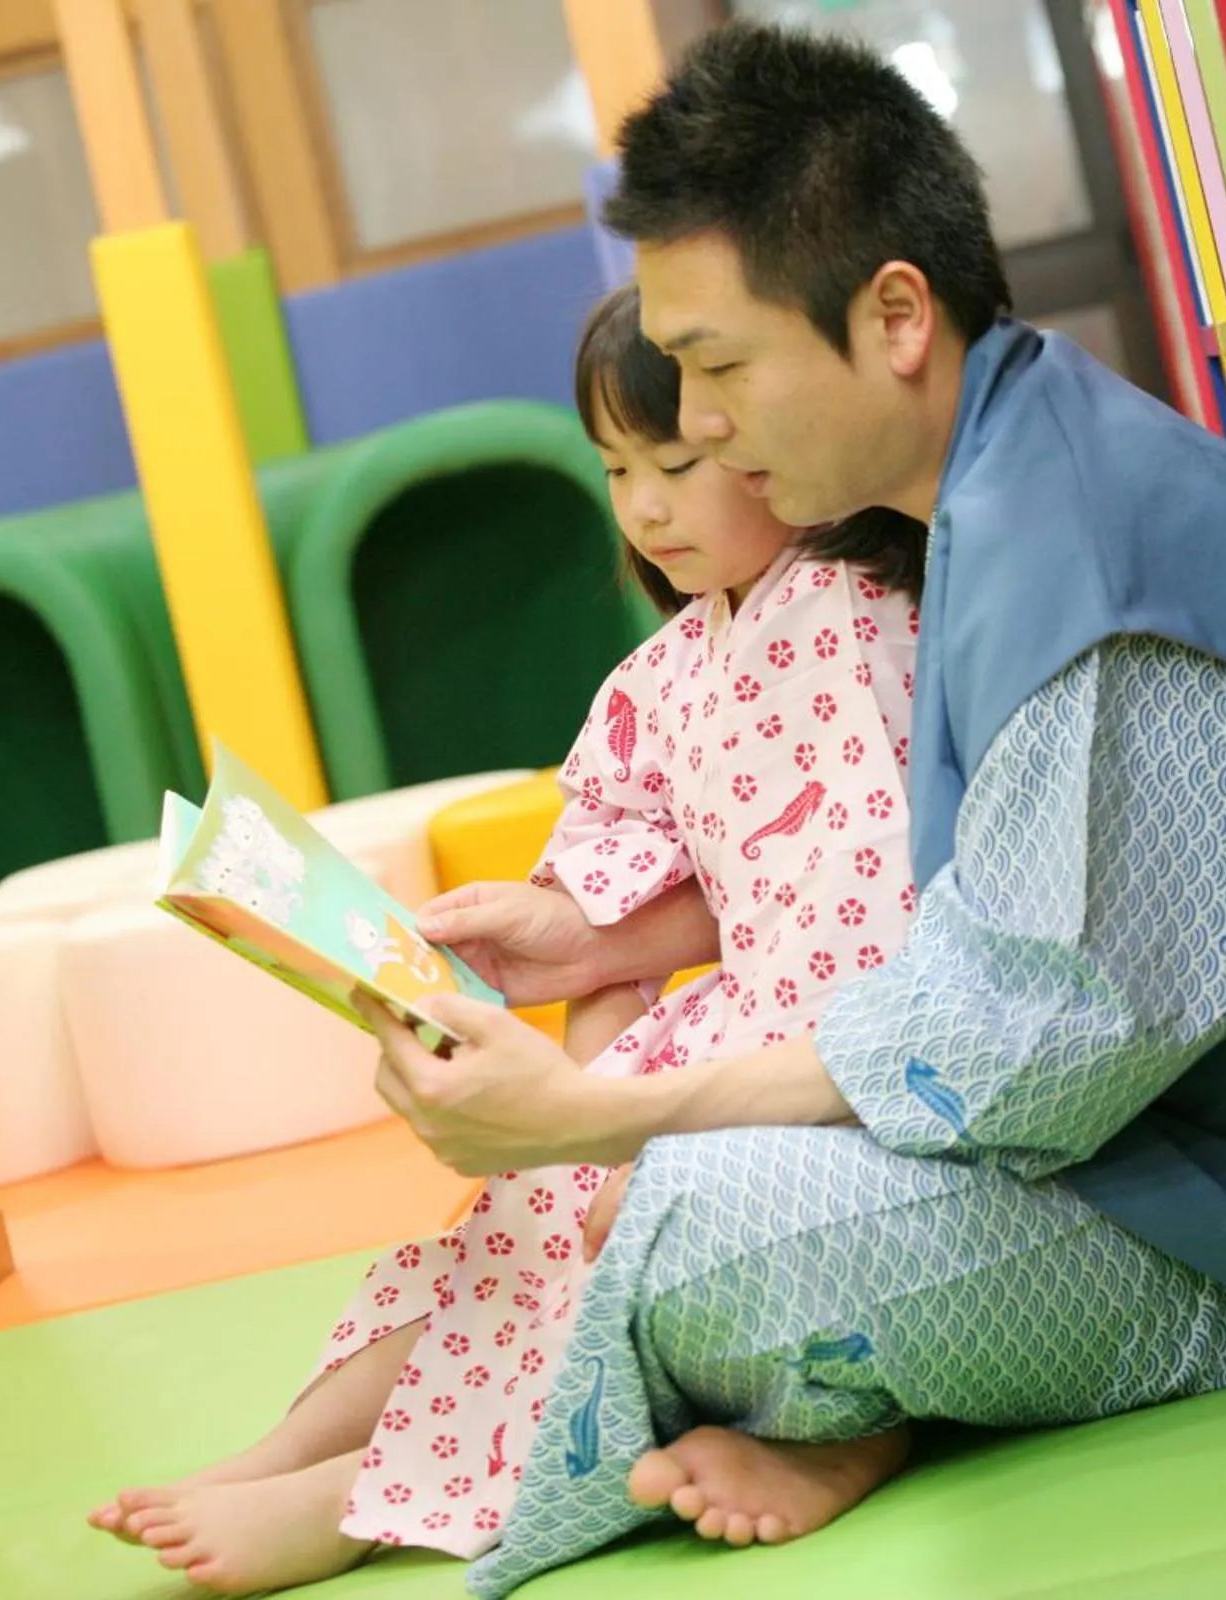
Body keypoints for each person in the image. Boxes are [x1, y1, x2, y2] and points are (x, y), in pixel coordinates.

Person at [365, 22, 1226, 1598]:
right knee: (620, 1210)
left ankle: (798, 1423)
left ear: (893, 317)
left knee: (682, 1236)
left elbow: (1030, 1056)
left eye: (725, 371)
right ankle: (803, 1416)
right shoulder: (986, 492)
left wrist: (596, 1114)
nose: (709, 432)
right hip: (1102, 1153)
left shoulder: (1090, 555)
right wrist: (593, 950)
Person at [86, 283, 928, 1594]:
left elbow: (853, 888)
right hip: (709, 1023)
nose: (643, 505)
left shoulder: (863, 606)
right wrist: (571, 1028)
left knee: (598, 1250)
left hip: (819, 1039)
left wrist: (612, 1103)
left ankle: (370, 1501)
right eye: (615, 469)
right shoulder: (658, 679)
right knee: (514, 1220)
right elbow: (633, 912)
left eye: (677, 463)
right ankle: (288, 1448)